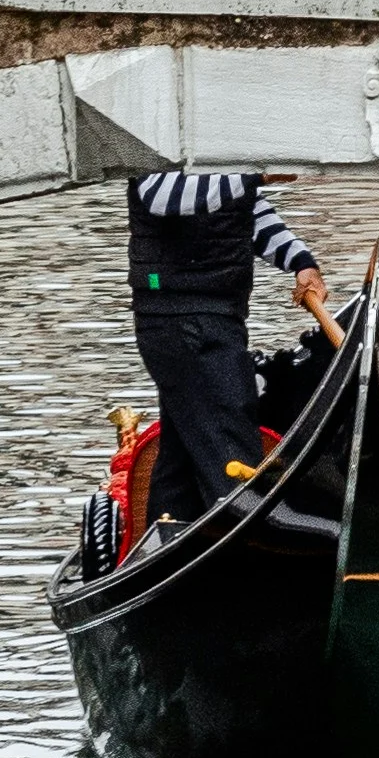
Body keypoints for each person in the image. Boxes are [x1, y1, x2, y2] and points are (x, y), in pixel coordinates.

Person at [123, 165, 338, 532]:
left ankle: (168, 534)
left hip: (210, 315)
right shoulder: (156, 147)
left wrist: (301, 262)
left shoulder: (222, 164)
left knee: (181, 455)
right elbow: (161, 196)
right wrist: (258, 176)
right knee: (229, 422)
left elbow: (248, 210)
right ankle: (249, 526)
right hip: (183, 317)